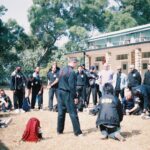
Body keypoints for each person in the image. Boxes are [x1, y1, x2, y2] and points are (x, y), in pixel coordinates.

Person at [57, 57, 82, 136]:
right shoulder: (72, 72)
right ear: (73, 63)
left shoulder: (61, 70)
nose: (76, 65)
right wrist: (75, 97)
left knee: (61, 112)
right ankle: (78, 132)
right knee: (73, 113)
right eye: (76, 63)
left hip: (60, 92)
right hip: (67, 93)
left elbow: (58, 80)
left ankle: (59, 130)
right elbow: (72, 86)